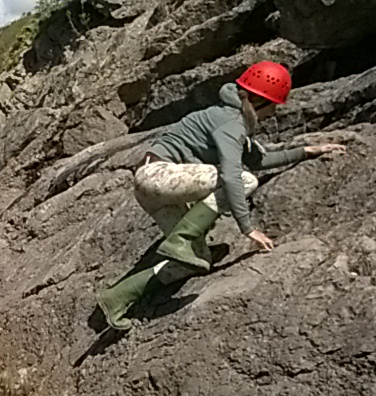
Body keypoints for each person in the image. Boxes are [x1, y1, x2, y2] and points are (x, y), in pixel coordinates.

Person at [96, 62, 346, 331]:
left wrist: (308, 151)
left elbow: (260, 160)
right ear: (258, 100)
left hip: (152, 188)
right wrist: (248, 229)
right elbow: (231, 175)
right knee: (244, 180)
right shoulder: (231, 123)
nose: (274, 112)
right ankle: (181, 239)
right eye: (273, 104)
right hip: (158, 174)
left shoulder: (233, 120)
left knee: (194, 262)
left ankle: (117, 297)